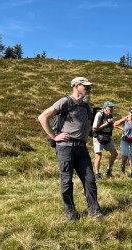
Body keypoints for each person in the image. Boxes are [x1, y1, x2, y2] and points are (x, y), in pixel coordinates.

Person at [38, 77, 104, 223]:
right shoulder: (65, 102)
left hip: (81, 147)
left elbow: (87, 123)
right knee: (66, 181)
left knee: (90, 180)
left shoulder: (86, 106)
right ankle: (70, 214)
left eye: (89, 86)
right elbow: (42, 117)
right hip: (65, 148)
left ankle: (94, 212)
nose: (88, 89)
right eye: (85, 86)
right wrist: (54, 137)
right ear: (75, 86)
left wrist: (85, 137)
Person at [114, 106, 132, 178]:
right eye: (131, 112)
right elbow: (115, 124)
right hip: (125, 140)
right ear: (129, 112)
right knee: (124, 156)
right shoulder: (125, 119)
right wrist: (122, 128)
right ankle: (123, 166)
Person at [92, 101, 118, 178]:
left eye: (112, 107)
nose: (112, 109)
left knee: (114, 154)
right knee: (98, 155)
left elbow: (111, 127)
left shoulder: (110, 115)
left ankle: (108, 171)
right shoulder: (99, 114)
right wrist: (106, 123)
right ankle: (97, 174)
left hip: (107, 137)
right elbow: (94, 128)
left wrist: (112, 125)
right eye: (110, 107)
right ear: (105, 108)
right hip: (98, 137)